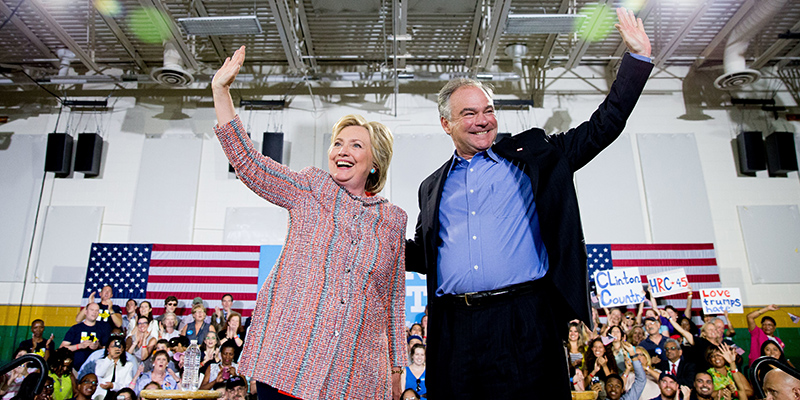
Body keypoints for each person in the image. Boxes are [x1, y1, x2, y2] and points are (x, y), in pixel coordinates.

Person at [403, 7, 652, 398]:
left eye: (488, 111)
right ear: (446, 123)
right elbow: (422, 255)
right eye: (469, 113)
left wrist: (636, 61)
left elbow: (603, 127)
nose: (483, 120)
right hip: (454, 327)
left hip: (526, 318)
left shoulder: (535, 155)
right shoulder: (432, 187)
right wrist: (370, 231)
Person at [212, 45, 407, 400]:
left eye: (356, 145)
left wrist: (396, 367)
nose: (342, 151)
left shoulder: (393, 219)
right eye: (337, 143)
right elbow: (250, 164)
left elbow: (391, 299)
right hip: (290, 359)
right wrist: (221, 92)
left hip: (356, 373)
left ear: (375, 162)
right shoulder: (310, 188)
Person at [60, 303, 110, 371]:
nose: (94, 313)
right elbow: (62, 348)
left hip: (95, 368)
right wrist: (79, 346)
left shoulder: (103, 329)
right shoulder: (75, 328)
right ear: (86, 312)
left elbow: (106, 350)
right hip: (75, 368)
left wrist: (98, 346)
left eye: (96, 310)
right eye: (92, 310)